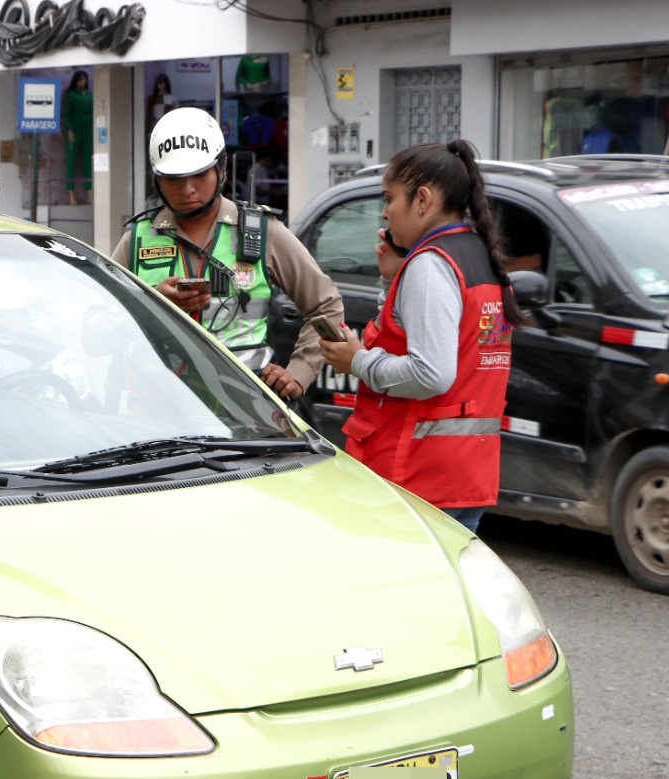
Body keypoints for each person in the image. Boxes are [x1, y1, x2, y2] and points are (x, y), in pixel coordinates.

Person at [316, 141, 526, 533]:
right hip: (464, 474)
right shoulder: (477, 256)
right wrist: (395, 277)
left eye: (389, 198)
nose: (384, 212)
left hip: (416, 474)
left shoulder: (431, 266)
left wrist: (357, 360)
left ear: (423, 200)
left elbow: (432, 374)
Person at [113, 107, 342, 402]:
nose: (187, 189)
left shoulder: (261, 232)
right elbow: (94, 329)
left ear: (222, 168)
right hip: (160, 416)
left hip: (244, 416)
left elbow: (326, 305)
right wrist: (153, 303)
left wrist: (298, 373)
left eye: (198, 174)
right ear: (157, 178)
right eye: (174, 178)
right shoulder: (136, 240)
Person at [63, 70, 93, 206]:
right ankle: (70, 195)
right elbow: (66, 114)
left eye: (84, 79)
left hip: (88, 132)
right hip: (74, 132)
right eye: (80, 80)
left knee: (88, 162)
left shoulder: (90, 95)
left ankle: (89, 195)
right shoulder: (71, 95)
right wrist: (69, 129)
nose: (83, 82)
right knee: (71, 163)